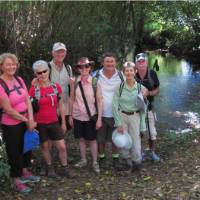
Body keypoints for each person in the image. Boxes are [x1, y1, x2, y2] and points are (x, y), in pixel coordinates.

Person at [0, 53, 39, 193]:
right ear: (1, 66)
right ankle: (16, 180)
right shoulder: (0, 84)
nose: (11, 67)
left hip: (26, 119)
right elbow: (8, 110)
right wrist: (27, 120)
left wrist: (31, 119)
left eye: (13, 64)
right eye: (8, 64)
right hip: (11, 124)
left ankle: (24, 172)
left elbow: (27, 100)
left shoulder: (19, 79)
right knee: (14, 152)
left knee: (27, 147)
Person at [29, 60, 74, 178]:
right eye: (39, 73)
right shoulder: (34, 89)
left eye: (45, 71)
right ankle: (49, 168)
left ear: (49, 71)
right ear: (35, 74)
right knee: (45, 147)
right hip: (40, 123)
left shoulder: (55, 87)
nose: (42, 74)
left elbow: (61, 106)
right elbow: (29, 106)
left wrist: (63, 122)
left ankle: (65, 168)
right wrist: (31, 122)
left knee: (62, 147)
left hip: (54, 122)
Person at [69, 57, 103, 174]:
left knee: (93, 140)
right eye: (81, 67)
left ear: (90, 68)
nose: (84, 69)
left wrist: (99, 119)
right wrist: (70, 116)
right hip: (77, 115)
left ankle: (94, 162)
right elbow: (71, 98)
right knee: (81, 139)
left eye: (86, 66)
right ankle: (83, 159)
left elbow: (99, 101)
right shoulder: (74, 81)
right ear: (78, 69)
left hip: (91, 116)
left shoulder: (95, 81)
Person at [112, 61, 147, 171]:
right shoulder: (119, 87)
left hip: (135, 116)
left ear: (135, 72)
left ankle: (137, 162)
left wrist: (142, 126)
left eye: (131, 70)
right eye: (126, 71)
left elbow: (143, 109)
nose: (129, 73)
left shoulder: (141, 88)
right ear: (123, 73)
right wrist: (118, 123)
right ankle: (127, 161)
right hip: (122, 116)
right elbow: (114, 105)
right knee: (123, 140)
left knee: (136, 141)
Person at [94, 52, 124, 169]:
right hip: (101, 114)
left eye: (112, 61)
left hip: (117, 114)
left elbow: (133, 85)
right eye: (107, 61)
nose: (110, 63)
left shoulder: (121, 76)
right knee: (100, 139)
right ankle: (102, 158)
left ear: (115, 63)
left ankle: (116, 159)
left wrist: (144, 90)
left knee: (115, 139)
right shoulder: (96, 75)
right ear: (103, 63)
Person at [135, 53, 160, 162]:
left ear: (146, 62)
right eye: (139, 62)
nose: (141, 63)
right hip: (137, 109)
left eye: (143, 61)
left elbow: (157, 89)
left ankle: (152, 152)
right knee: (139, 132)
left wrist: (149, 93)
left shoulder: (152, 73)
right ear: (136, 63)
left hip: (149, 107)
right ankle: (140, 153)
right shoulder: (132, 74)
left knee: (152, 132)